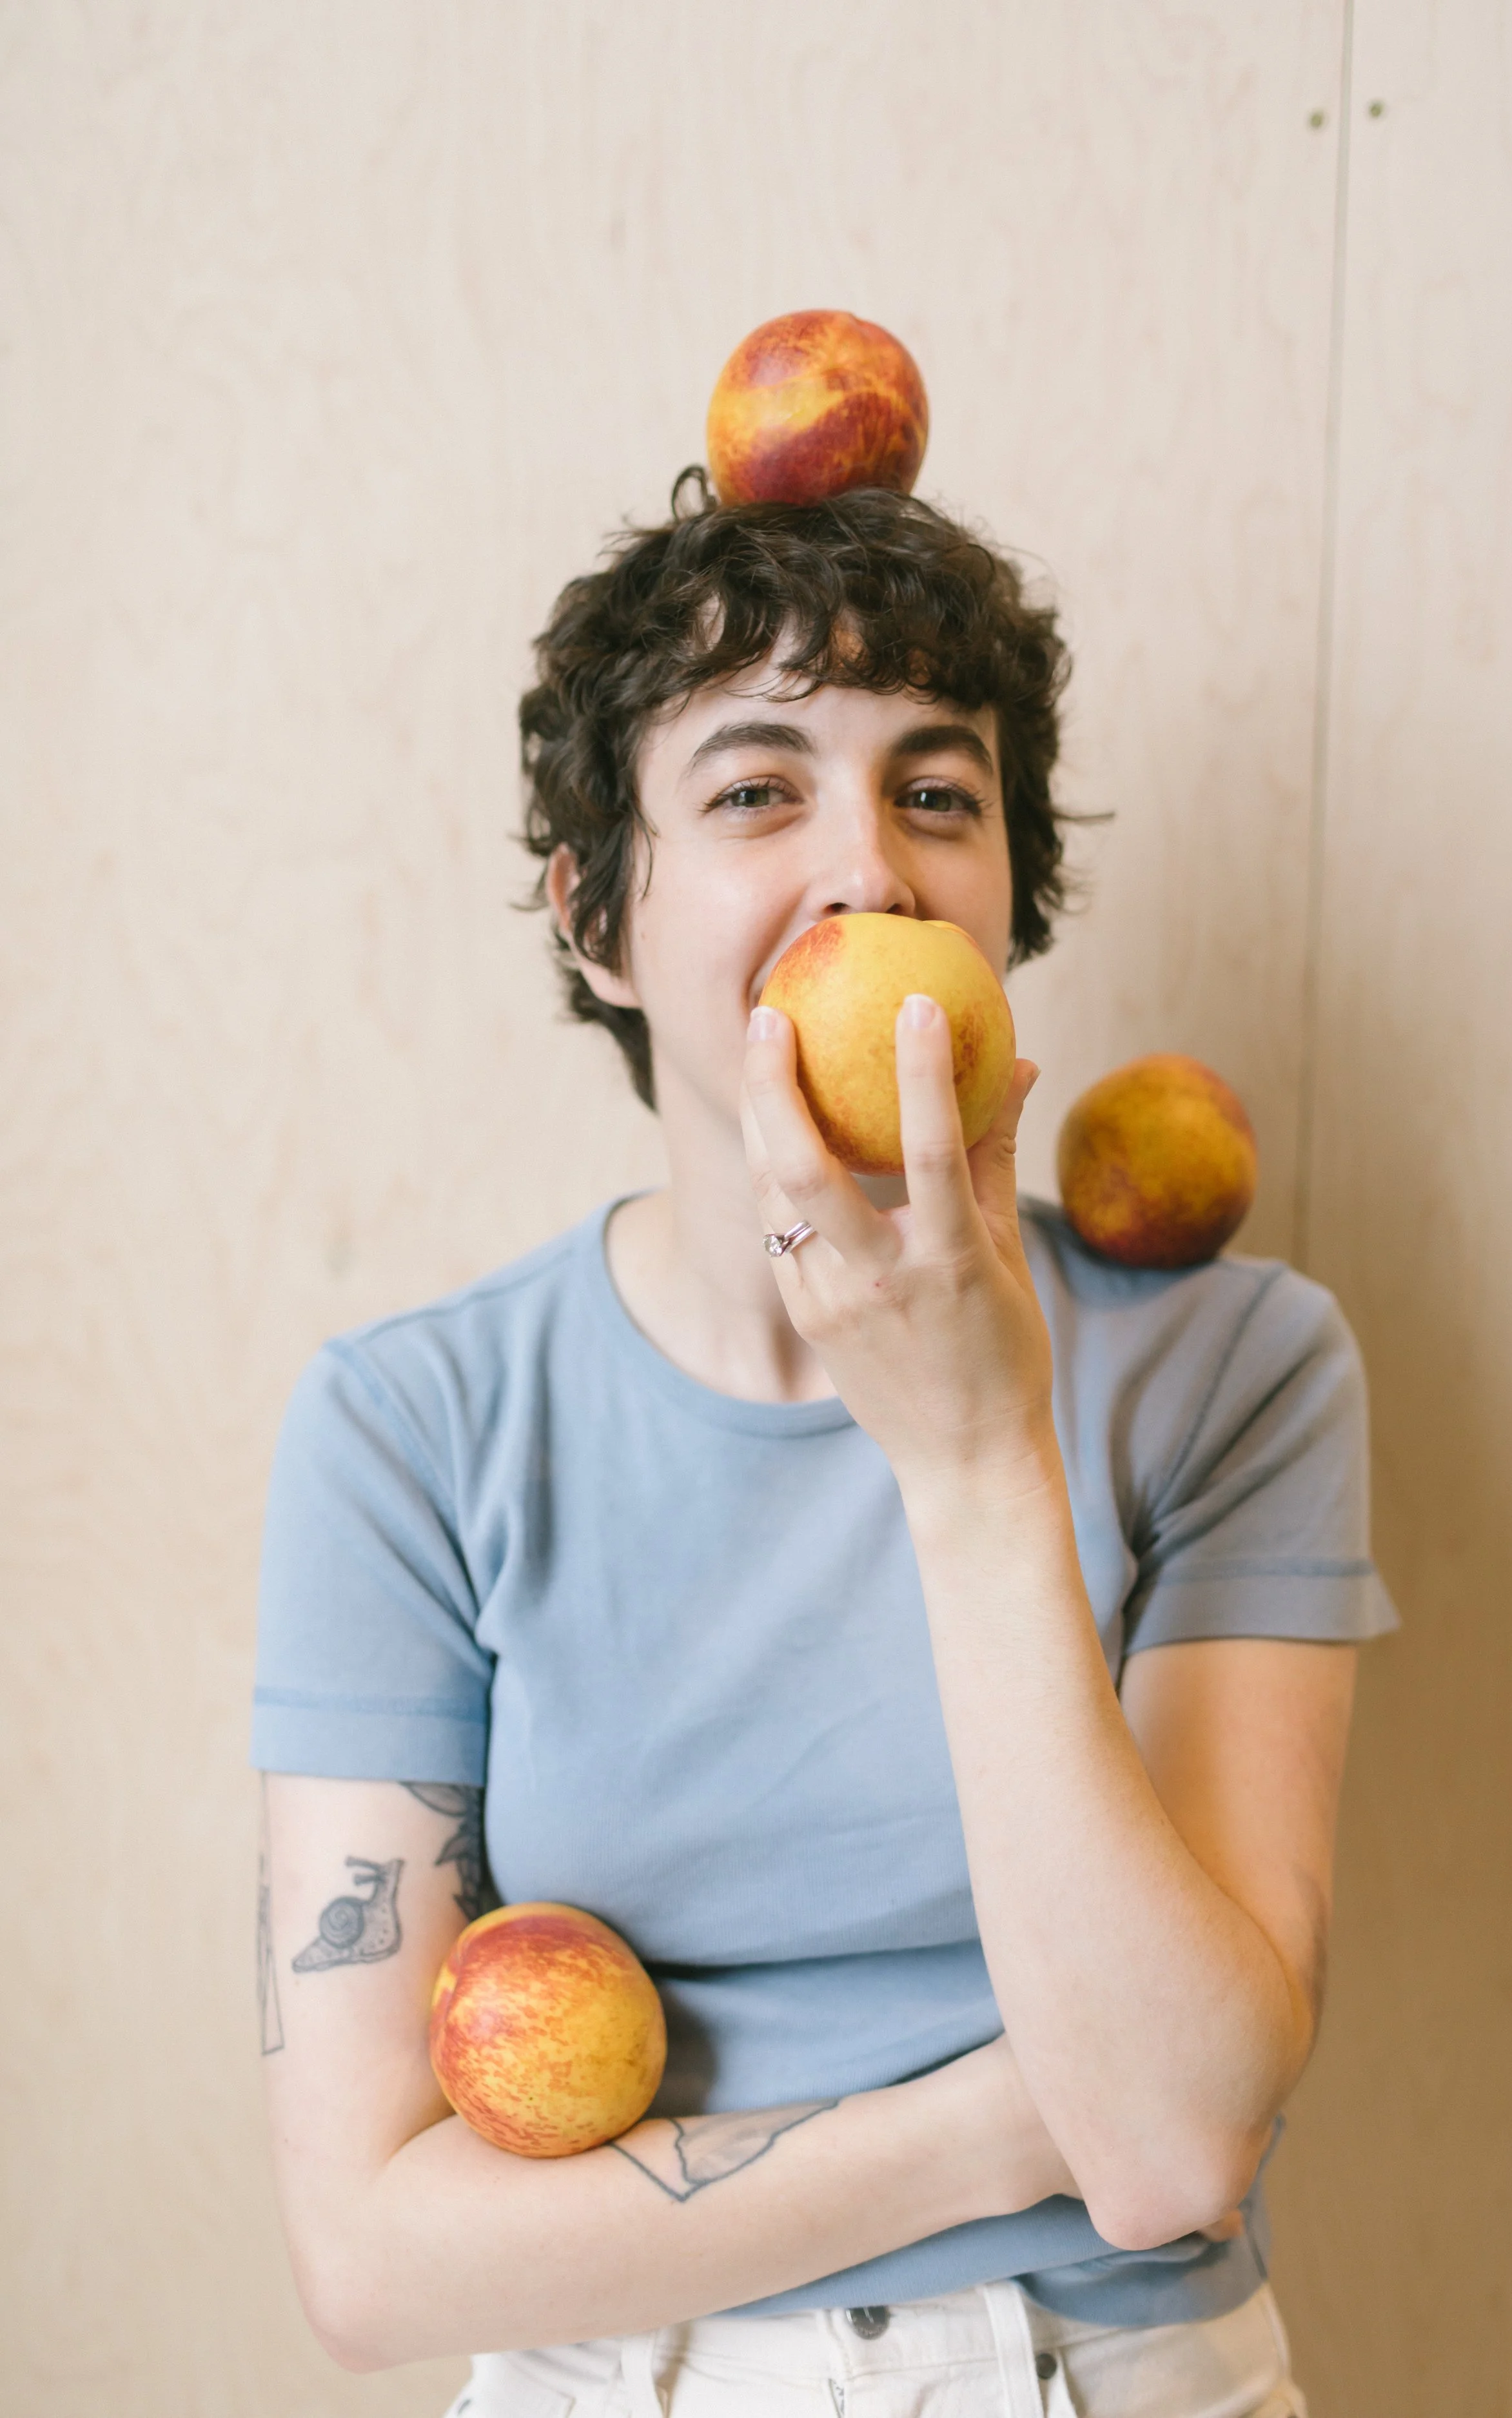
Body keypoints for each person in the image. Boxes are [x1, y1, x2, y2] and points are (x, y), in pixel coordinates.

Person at [253, 487, 1394, 2418]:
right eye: (757, 790)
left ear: (1008, 889)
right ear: (595, 914)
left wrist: (968, 1461)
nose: (867, 867)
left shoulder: (1238, 1365)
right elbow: (369, 2258)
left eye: (937, 794)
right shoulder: (410, 1428)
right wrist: (1011, 2120)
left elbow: (1177, 2151)